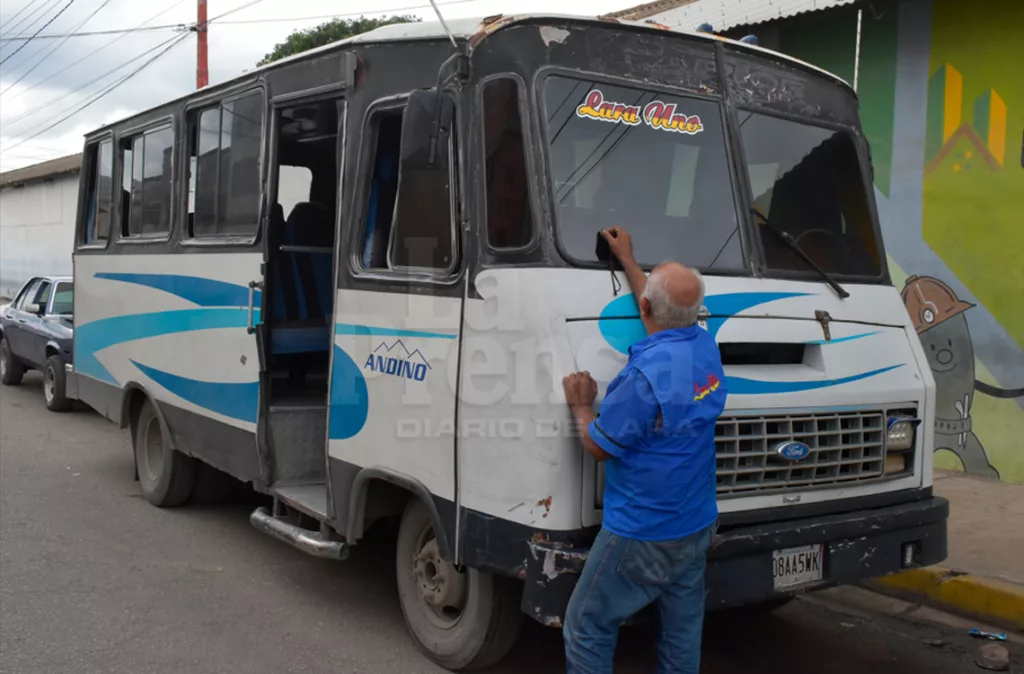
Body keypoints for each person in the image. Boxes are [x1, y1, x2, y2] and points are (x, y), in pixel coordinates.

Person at [561, 227, 727, 674]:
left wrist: (580, 405)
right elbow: (660, 307)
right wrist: (629, 262)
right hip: (695, 525)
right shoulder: (705, 346)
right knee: (681, 633)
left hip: (642, 532)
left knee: (587, 624)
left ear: (647, 308)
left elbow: (598, 446)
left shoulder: (643, 379)